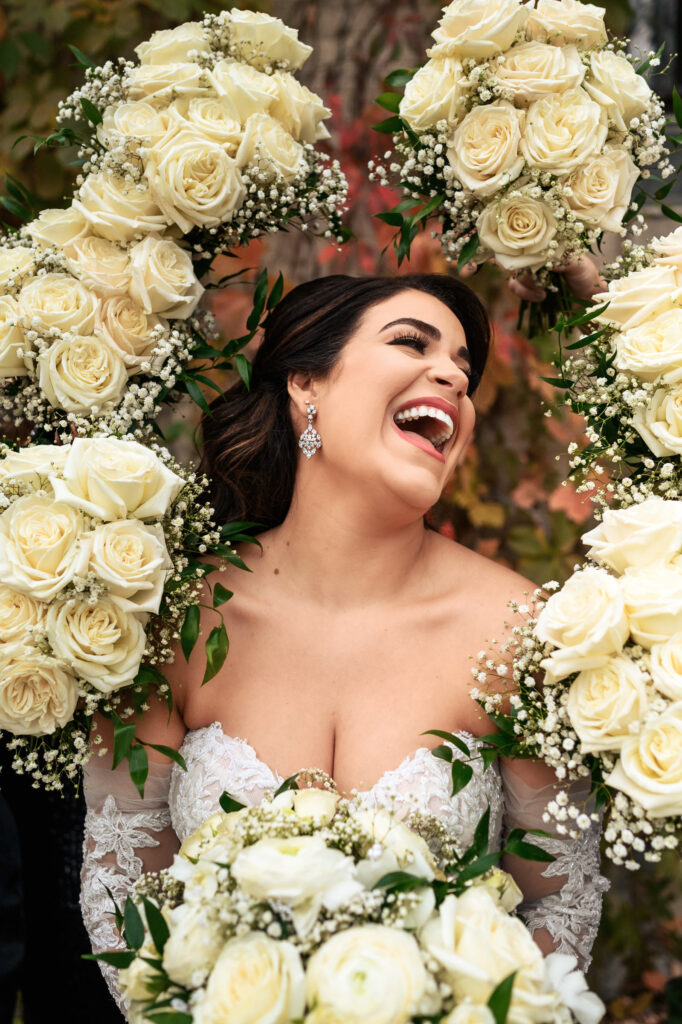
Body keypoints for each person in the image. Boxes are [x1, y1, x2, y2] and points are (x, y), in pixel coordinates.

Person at [80, 273, 608, 1015]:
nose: (454, 374)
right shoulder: (180, 614)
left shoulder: (518, 630)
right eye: (411, 343)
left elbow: (561, 904)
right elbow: (123, 886)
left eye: (464, 365)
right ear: (306, 383)